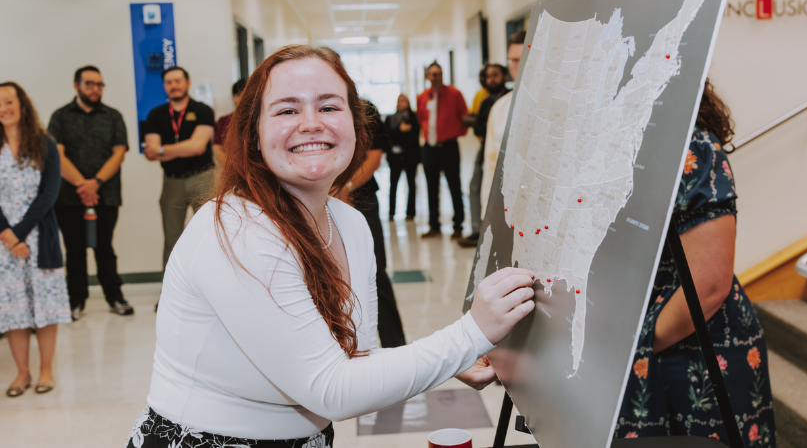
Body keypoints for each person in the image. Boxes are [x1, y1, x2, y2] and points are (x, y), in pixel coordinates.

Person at [127, 45, 535, 448]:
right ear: (253, 134)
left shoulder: (350, 224)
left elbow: (354, 359)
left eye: (328, 107)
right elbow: (332, 388)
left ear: (356, 125)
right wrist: (470, 334)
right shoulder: (237, 228)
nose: (311, 123)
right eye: (287, 110)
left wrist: (450, 358)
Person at [614, 82, 777, 446]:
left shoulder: (692, 145)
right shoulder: (620, 142)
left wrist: (632, 350)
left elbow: (709, 286)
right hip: (641, 340)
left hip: (687, 345)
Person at [0, 82, 71, 397]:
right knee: (13, 310)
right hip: (3, 245)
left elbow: (49, 194)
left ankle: (45, 370)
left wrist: (17, 233)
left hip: (40, 239)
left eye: (8, 101)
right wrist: (7, 234)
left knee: (45, 307)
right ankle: (22, 373)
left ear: (22, 104)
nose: (3, 108)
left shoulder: (45, 144)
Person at [48, 65, 132, 320]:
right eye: (90, 84)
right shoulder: (60, 116)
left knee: (104, 248)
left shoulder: (113, 116)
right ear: (77, 86)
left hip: (106, 193)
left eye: (99, 84)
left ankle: (115, 297)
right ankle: (76, 301)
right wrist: (83, 186)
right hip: (68, 196)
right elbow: (57, 155)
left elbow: (119, 154)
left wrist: (95, 183)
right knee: (74, 250)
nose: (95, 89)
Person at [335, 100, 407, 348]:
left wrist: (345, 188)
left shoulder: (365, 110)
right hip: (318, 201)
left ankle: (394, 345)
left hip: (361, 200)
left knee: (375, 274)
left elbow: (374, 158)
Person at [142, 66, 216, 271]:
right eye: (169, 82)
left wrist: (162, 149)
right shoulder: (155, 114)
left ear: (187, 83)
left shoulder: (203, 110)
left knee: (210, 235)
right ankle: (170, 290)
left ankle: (211, 285)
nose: (173, 86)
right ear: (164, 86)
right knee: (172, 238)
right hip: (171, 181)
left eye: (177, 81)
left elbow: (197, 147)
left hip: (203, 178)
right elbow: (150, 153)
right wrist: (183, 148)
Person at [416, 62, 469, 239]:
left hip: (449, 147)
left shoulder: (454, 94)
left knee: (454, 186)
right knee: (431, 188)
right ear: (428, 76)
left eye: (439, 74)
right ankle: (434, 226)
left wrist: (454, 133)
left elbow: (464, 117)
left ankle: (458, 226)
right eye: (433, 74)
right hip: (429, 148)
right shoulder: (422, 97)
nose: (436, 77)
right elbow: (421, 118)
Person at [459, 63, 509, 248]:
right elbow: (479, 128)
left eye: (495, 75)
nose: (491, 80)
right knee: (476, 186)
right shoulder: (486, 102)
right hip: (486, 150)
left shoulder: (511, 98)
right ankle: (477, 230)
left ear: (505, 76)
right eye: (488, 76)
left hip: (508, 151)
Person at [481, 31, 525, 213]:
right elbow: (491, 164)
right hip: (508, 205)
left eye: (524, 58)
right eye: (513, 60)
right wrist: (487, 211)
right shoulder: (499, 108)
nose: (519, 65)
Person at [385, 94, 420, 221]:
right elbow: (388, 137)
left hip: (410, 157)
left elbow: (414, 137)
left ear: (408, 103)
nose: (400, 103)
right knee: (393, 184)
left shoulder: (414, 118)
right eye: (399, 100)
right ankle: (391, 213)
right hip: (394, 158)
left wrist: (400, 137)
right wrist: (400, 131)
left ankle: (410, 212)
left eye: (403, 100)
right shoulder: (390, 118)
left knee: (411, 184)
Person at [213, 78, 247, 168]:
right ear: (233, 97)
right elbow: (217, 147)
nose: (242, 98)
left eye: (246, 95)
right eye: (238, 95)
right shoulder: (223, 120)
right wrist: (231, 167)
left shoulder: (260, 120)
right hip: (230, 168)